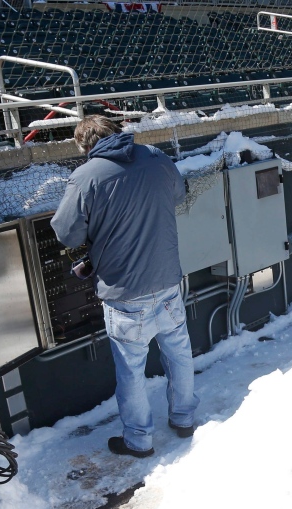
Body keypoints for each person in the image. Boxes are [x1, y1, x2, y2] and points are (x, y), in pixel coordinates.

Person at [52, 115, 198, 459]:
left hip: (123, 293)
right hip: (166, 282)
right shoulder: (157, 158)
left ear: (85, 145)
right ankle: (184, 419)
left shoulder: (85, 177)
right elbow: (179, 193)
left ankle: (139, 440)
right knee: (179, 353)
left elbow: (66, 233)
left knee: (132, 370)